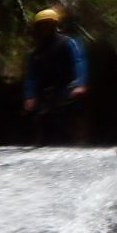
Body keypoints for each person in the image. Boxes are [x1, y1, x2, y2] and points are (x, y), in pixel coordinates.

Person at [22, 8, 88, 144]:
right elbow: (30, 76)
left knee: (67, 119)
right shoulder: (35, 52)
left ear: (54, 25)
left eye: (48, 24)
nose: (44, 28)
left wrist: (80, 84)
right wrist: (29, 96)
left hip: (67, 90)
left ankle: (75, 142)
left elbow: (78, 62)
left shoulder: (67, 43)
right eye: (42, 25)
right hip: (46, 94)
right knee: (43, 123)